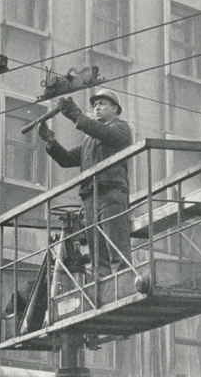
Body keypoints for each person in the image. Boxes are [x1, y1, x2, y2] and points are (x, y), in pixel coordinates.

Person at [38, 89, 133, 278]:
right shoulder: (90, 142)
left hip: (111, 195)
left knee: (117, 250)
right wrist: (50, 140)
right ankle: (101, 292)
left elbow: (102, 132)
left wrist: (75, 114)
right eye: (95, 105)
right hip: (91, 198)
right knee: (98, 257)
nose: (97, 108)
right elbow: (66, 159)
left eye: (102, 104)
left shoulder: (121, 129)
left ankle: (123, 286)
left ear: (115, 108)